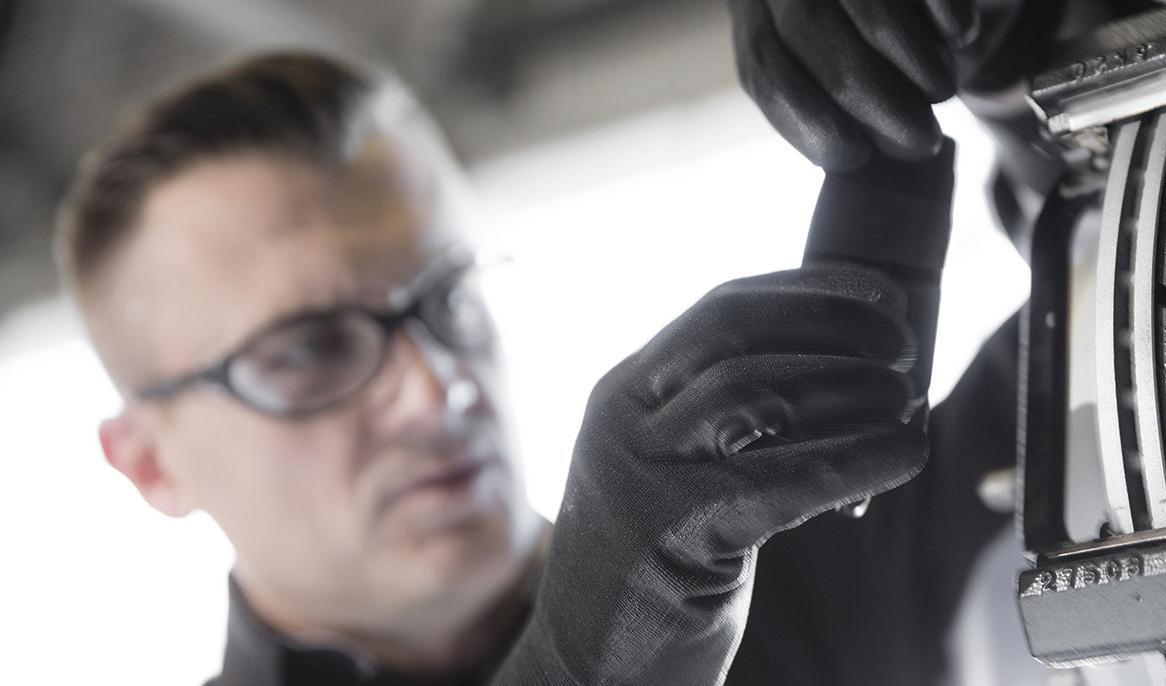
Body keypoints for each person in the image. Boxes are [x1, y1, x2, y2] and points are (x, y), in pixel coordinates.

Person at [59, 50, 932, 685]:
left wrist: (1021, 93)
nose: (436, 392)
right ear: (149, 463)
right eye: (308, 349)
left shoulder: (821, 577)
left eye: (451, 298)